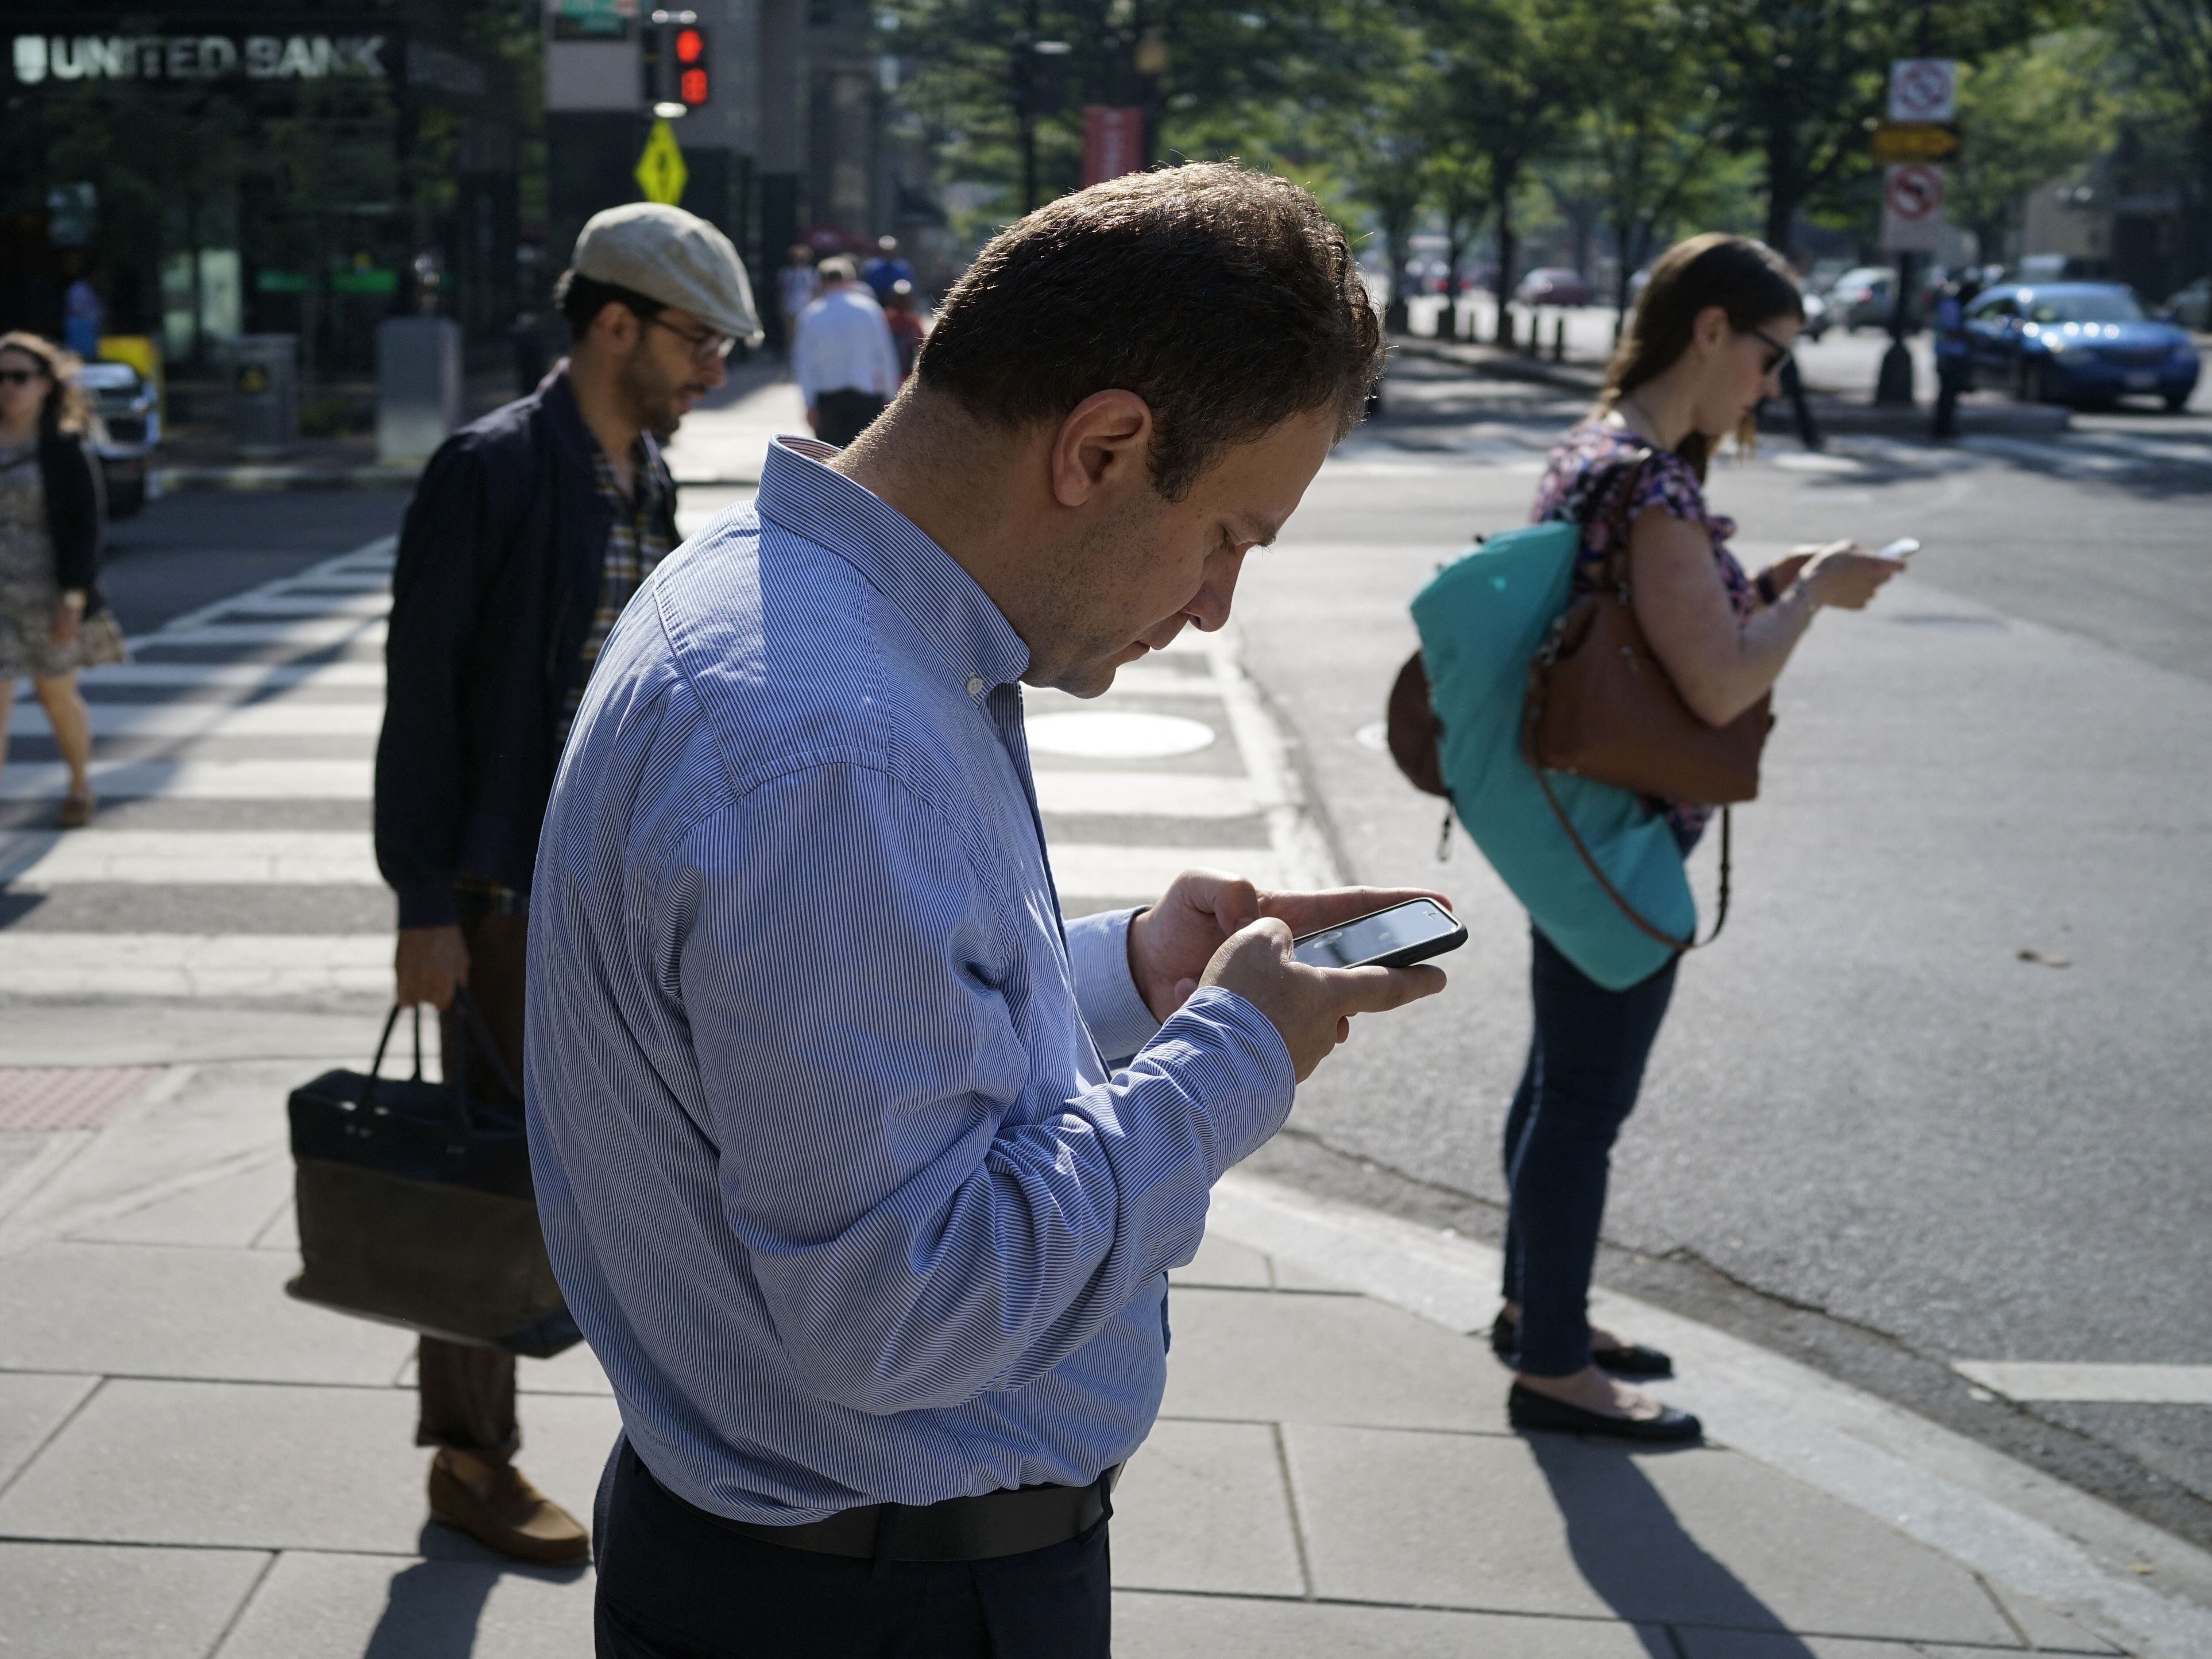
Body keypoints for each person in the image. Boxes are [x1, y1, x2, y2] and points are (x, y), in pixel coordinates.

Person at [528, 162, 1447, 1658]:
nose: (1216, 604)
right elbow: (907, 1305)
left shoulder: (783, 598)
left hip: (806, 1565)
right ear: (1102, 445)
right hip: (880, 1602)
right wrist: (1234, 1054)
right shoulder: (834, 744)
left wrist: (1127, 976)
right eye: (1231, 533)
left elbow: (829, 1065)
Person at [372, 201, 758, 1566]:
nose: (714, 369)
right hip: (501, 888)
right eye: (701, 339)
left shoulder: (640, 467)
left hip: (614, 877)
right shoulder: (492, 470)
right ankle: (471, 1463)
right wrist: (425, 903)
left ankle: (661, 1425)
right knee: (489, 1171)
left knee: (632, 1157)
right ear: (614, 322)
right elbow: (422, 698)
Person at [1492, 234, 1903, 1442]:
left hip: (1572, 813)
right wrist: (1810, 595)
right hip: (1622, 833)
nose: (1771, 386)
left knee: (1553, 1077)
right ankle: (1555, 1365)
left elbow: (1649, 629)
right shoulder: (1652, 486)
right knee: (1582, 1099)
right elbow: (1718, 688)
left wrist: (1768, 583)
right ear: (1711, 329)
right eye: (1770, 355)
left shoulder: (1592, 454)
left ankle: (1537, 1308)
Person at [0, 331, 127, 828]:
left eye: (19, 377)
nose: (7, 387)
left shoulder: (65, 446)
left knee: (57, 696)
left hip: (50, 593)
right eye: (0, 377)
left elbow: (86, 527)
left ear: (46, 386)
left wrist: (73, 600)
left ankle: (79, 782)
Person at [793, 254, 900, 446]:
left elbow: (804, 363)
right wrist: (890, 393)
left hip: (828, 398)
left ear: (821, 281)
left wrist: (809, 403)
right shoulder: (870, 310)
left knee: (833, 460)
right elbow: (885, 354)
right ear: (851, 280)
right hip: (866, 394)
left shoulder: (811, 315)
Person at [1931, 275, 1981, 439]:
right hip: (1948, 355)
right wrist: (1970, 338)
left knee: (1951, 393)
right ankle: (1942, 427)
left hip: (1954, 355)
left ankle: (1946, 425)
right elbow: (1950, 331)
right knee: (1947, 393)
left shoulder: (1955, 307)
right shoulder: (1951, 306)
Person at [776, 242, 818, 359]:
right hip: (790, 308)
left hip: (808, 308)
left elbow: (816, 291)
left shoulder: (812, 273)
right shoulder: (785, 273)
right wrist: (781, 307)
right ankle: (790, 359)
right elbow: (782, 291)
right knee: (790, 337)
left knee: (806, 335)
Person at [884, 277, 926, 379]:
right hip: (888, 372)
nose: (901, 303)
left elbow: (922, 346)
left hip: (905, 374)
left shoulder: (913, 323)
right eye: (899, 300)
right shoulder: (886, 320)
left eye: (904, 300)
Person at [862, 232, 916, 303]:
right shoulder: (870, 267)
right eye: (885, 251)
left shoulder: (903, 268)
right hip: (875, 303)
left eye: (891, 251)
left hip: (897, 306)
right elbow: (865, 288)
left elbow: (911, 289)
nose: (888, 254)